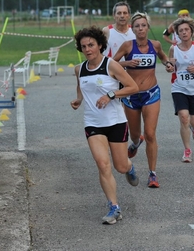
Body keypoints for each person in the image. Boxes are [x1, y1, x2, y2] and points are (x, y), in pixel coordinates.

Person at [71, 26, 140, 225]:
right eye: (83, 46)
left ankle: (129, 166)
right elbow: (82, 87)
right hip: (93, 123)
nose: (87, 49)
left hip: (116, 122)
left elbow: (133, 87)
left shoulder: (111, 65)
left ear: (100, 45)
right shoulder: (80, 69)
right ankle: (114, 207)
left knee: (119, 166)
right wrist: (78, 100)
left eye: (91, 45)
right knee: (102, 164)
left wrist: (111, 95)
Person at [113, 12, 174, 188]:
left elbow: (163, 57)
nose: (140, 28)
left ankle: (152, 174)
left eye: (143, 25)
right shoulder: (127, 46)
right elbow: (111, 63)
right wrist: (127, 64)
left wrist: (168, 64)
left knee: (150, 134)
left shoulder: (155, 45)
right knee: (135, 135)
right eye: (137, 26)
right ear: (133, 29)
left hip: (151, 94)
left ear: (148, 27)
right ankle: (135, 142)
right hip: (131, 96)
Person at [168, 18, 194, 162]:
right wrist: (169, 66)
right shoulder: (173, 49)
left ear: (191, 31)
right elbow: (170, 68)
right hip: (179, 87)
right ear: (177, 34)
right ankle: (187, 150)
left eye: (186, 30)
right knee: (184, 118)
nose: (184, 32)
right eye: (181, 31)